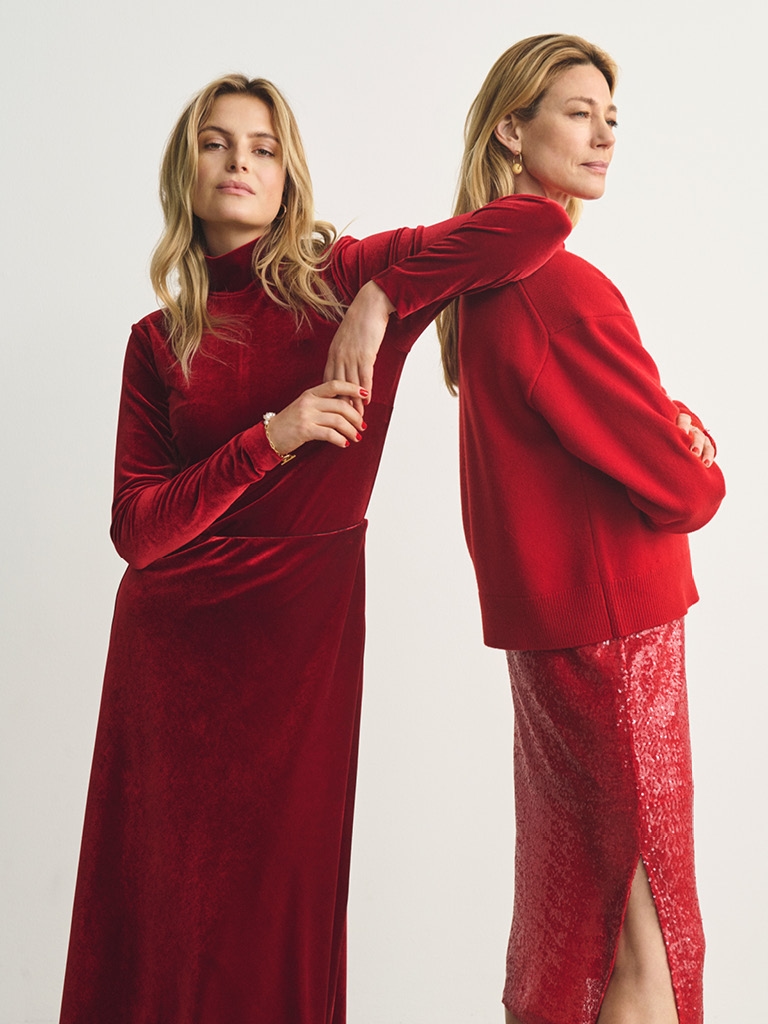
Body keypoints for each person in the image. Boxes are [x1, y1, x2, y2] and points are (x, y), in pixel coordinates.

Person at [58, 75, 573, 1024]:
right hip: (168, 663)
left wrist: (380, 297)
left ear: (288, 173)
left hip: (301, 649)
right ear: (187, 169)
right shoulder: (155, 340)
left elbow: (534, 226)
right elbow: (139, 532)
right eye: (217, 144)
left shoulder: (342, 282)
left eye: (261, 146)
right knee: (158, 915)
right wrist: (274, 435)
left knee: (279, 907)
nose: (240, 163)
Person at [327, 32, 724, 1024]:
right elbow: (680, 486)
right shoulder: (556, 288)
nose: (603, 137)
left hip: (561, 637)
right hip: (616, 635)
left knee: (584, 913)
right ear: (513, 128)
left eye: (612, 119)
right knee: (645, 931)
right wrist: (701, 454)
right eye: (576, 113)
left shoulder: (484, 290)